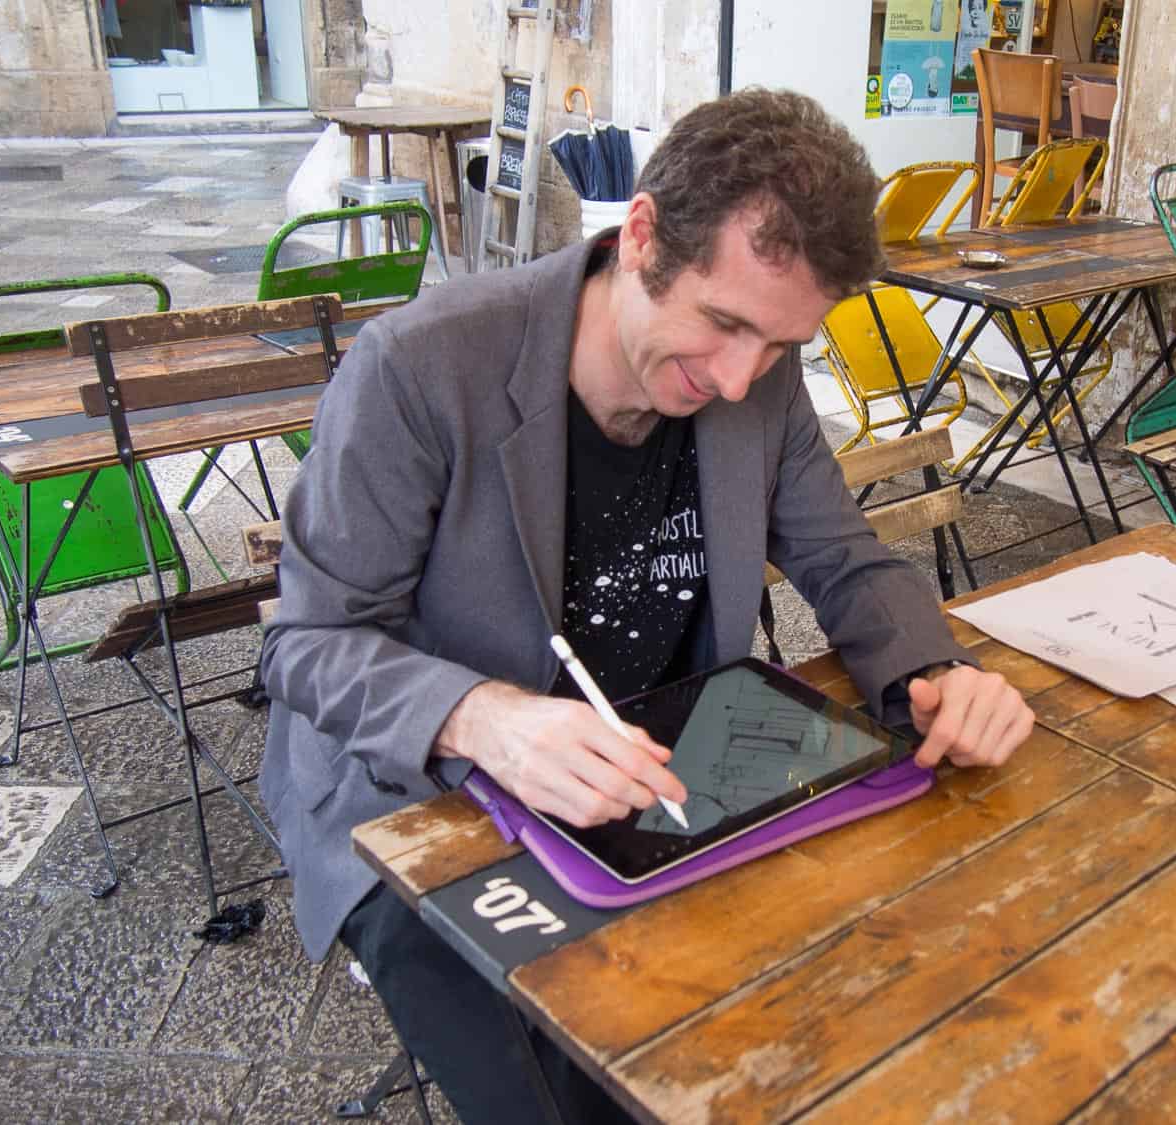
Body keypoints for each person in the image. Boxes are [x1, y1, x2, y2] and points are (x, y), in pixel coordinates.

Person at [260, 88, 1034, 1123]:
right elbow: (308, 643)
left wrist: (938, 672)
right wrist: (480, 716)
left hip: (666, 773)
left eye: (776, 345)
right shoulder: (423, 366)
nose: (737, 378)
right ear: (641, 236)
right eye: (721, 326)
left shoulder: (758, 367)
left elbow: (844, 558)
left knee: (870, 1010)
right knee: (575, 1095)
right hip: (424, 801)